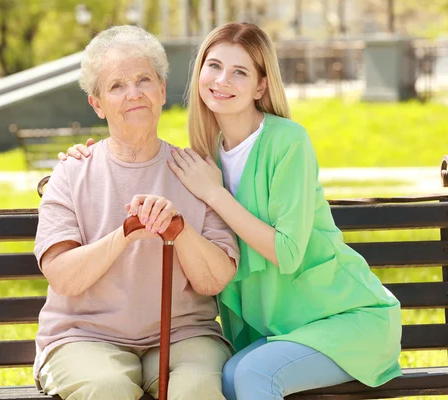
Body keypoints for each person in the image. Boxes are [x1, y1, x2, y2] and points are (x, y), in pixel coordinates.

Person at [62, 22, 402, 400]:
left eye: (239, 72)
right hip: (285, 331)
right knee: (227, 377)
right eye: (214, 66)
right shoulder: (206, 155)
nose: (222, 80)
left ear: (261, 85)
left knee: (254, 373)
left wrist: (215, 194)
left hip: (346, 321)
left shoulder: (287, 142)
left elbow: (287, 253)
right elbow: (132, 162)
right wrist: (79, 163)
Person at [35, 25, 239, 400]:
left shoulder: (196, 172)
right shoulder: (72, 171)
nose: (134, 94)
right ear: (97, 104)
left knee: (197, 389)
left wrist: (178, 229)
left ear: (161, 90)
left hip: (183, 335)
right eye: (116, 86)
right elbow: (62, 278)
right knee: (107, 389)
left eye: (144, 80)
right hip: (85, 337)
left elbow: (214, 281)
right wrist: (125, 234)